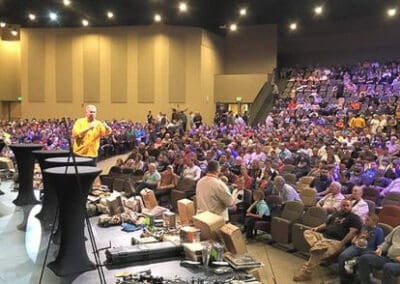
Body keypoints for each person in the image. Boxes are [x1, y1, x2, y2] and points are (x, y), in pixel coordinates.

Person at [293, 199, 362, 282]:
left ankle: (306, 273)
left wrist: (342, 243)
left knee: (317, 252)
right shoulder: (336, 214)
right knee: (308, 232)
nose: (345, 207)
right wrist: (317, 228)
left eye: (348, 205)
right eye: (343, 205)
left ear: (351, 206)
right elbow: (326, 224)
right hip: (323, 237)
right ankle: (317, 244)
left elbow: (352, 233)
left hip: (336, 241)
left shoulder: (354, 218)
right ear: (341, 206)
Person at [338, 214, 384, 283]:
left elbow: (380, 245)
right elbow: (357, 236)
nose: (365, 221)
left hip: (368, 250)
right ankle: (345, 279)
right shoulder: (364, 227)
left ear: (374, 221)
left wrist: (378, 251)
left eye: (368, 220)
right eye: (366, 219)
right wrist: (355, 239)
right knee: (343, 256)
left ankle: (355, 262)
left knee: (363, 260)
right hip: (356, 246)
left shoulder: (379, 231)